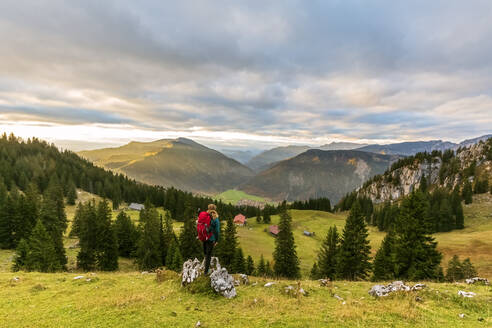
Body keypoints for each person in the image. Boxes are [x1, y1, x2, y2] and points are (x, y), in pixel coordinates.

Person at [203, 204, 220, 275]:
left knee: (205, 253)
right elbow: (217, 231)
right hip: (211, 239)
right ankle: (206, 271)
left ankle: (205, 267)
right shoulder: (215, 218)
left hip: (204, 237)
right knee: (208, 255)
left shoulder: (204, 216)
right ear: (215, 209)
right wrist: (217, 240)